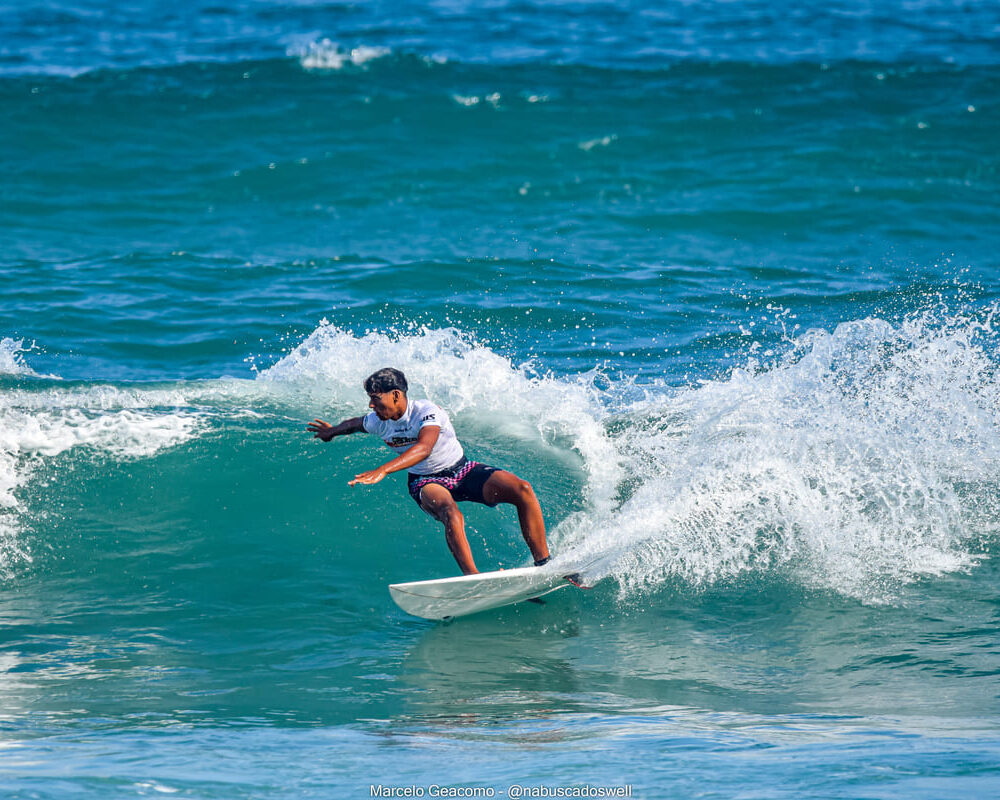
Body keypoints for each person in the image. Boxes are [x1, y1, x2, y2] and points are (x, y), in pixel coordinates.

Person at [306, 367, 551, 575]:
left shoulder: (425, 411)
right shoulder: (378, 421)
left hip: (462, 470)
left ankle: (544, 563)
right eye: (369, 398)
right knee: (450, 514)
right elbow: (354, 424)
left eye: (375, 398)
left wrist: (383, 470)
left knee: (522, 489)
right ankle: (473, 579)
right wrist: (332, 432)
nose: (371, 404)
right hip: (425, 481)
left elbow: (424, 448)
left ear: (395, 395)